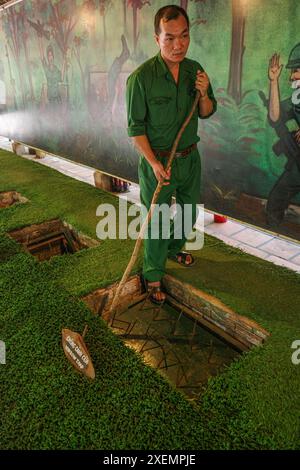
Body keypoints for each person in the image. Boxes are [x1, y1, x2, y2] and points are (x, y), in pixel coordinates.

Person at [126, 5, 217, 304]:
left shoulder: (195, 70)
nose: (178, 45)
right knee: (157, 219)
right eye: (169, 38)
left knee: (190, 211)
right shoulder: (141, 78)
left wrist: (203, 93)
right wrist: (153, 163)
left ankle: (173, 248)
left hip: (190, 158)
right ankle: (152, 275)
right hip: (158, 163)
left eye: (184, 36)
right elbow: (135, 129)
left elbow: (206, 112)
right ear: (157, 39)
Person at [266, 45, 300, 227]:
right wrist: (273, 82)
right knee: (275, 203)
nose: (291, 77)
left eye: (296, 71)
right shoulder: (297, 98)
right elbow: (275, 116)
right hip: (298, 164)